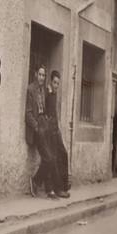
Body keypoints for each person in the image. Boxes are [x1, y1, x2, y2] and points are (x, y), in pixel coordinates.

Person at [25, 63, 57, 197]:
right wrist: (37, 127)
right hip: (36, 129)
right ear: (36, 74)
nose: (42, 77)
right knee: (49, 158)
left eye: (44, 75)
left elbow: (47, 109)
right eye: (40, 74)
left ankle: (47, 187)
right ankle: (35, 180)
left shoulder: (44, 90)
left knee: (50, 157)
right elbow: (28, 113)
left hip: (45, 126)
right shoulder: (30, 89)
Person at [44, 70, 71, 199]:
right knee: (53, 159)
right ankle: (57, 188)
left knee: (63, 154)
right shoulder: (48, 94)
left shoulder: (54, 95)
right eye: (54, 83)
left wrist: (58, 130)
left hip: (56, 130)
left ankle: (64, 185)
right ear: (51, 82)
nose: (56, 86)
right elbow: (46, 114)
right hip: (50, 132)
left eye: (58, 83)